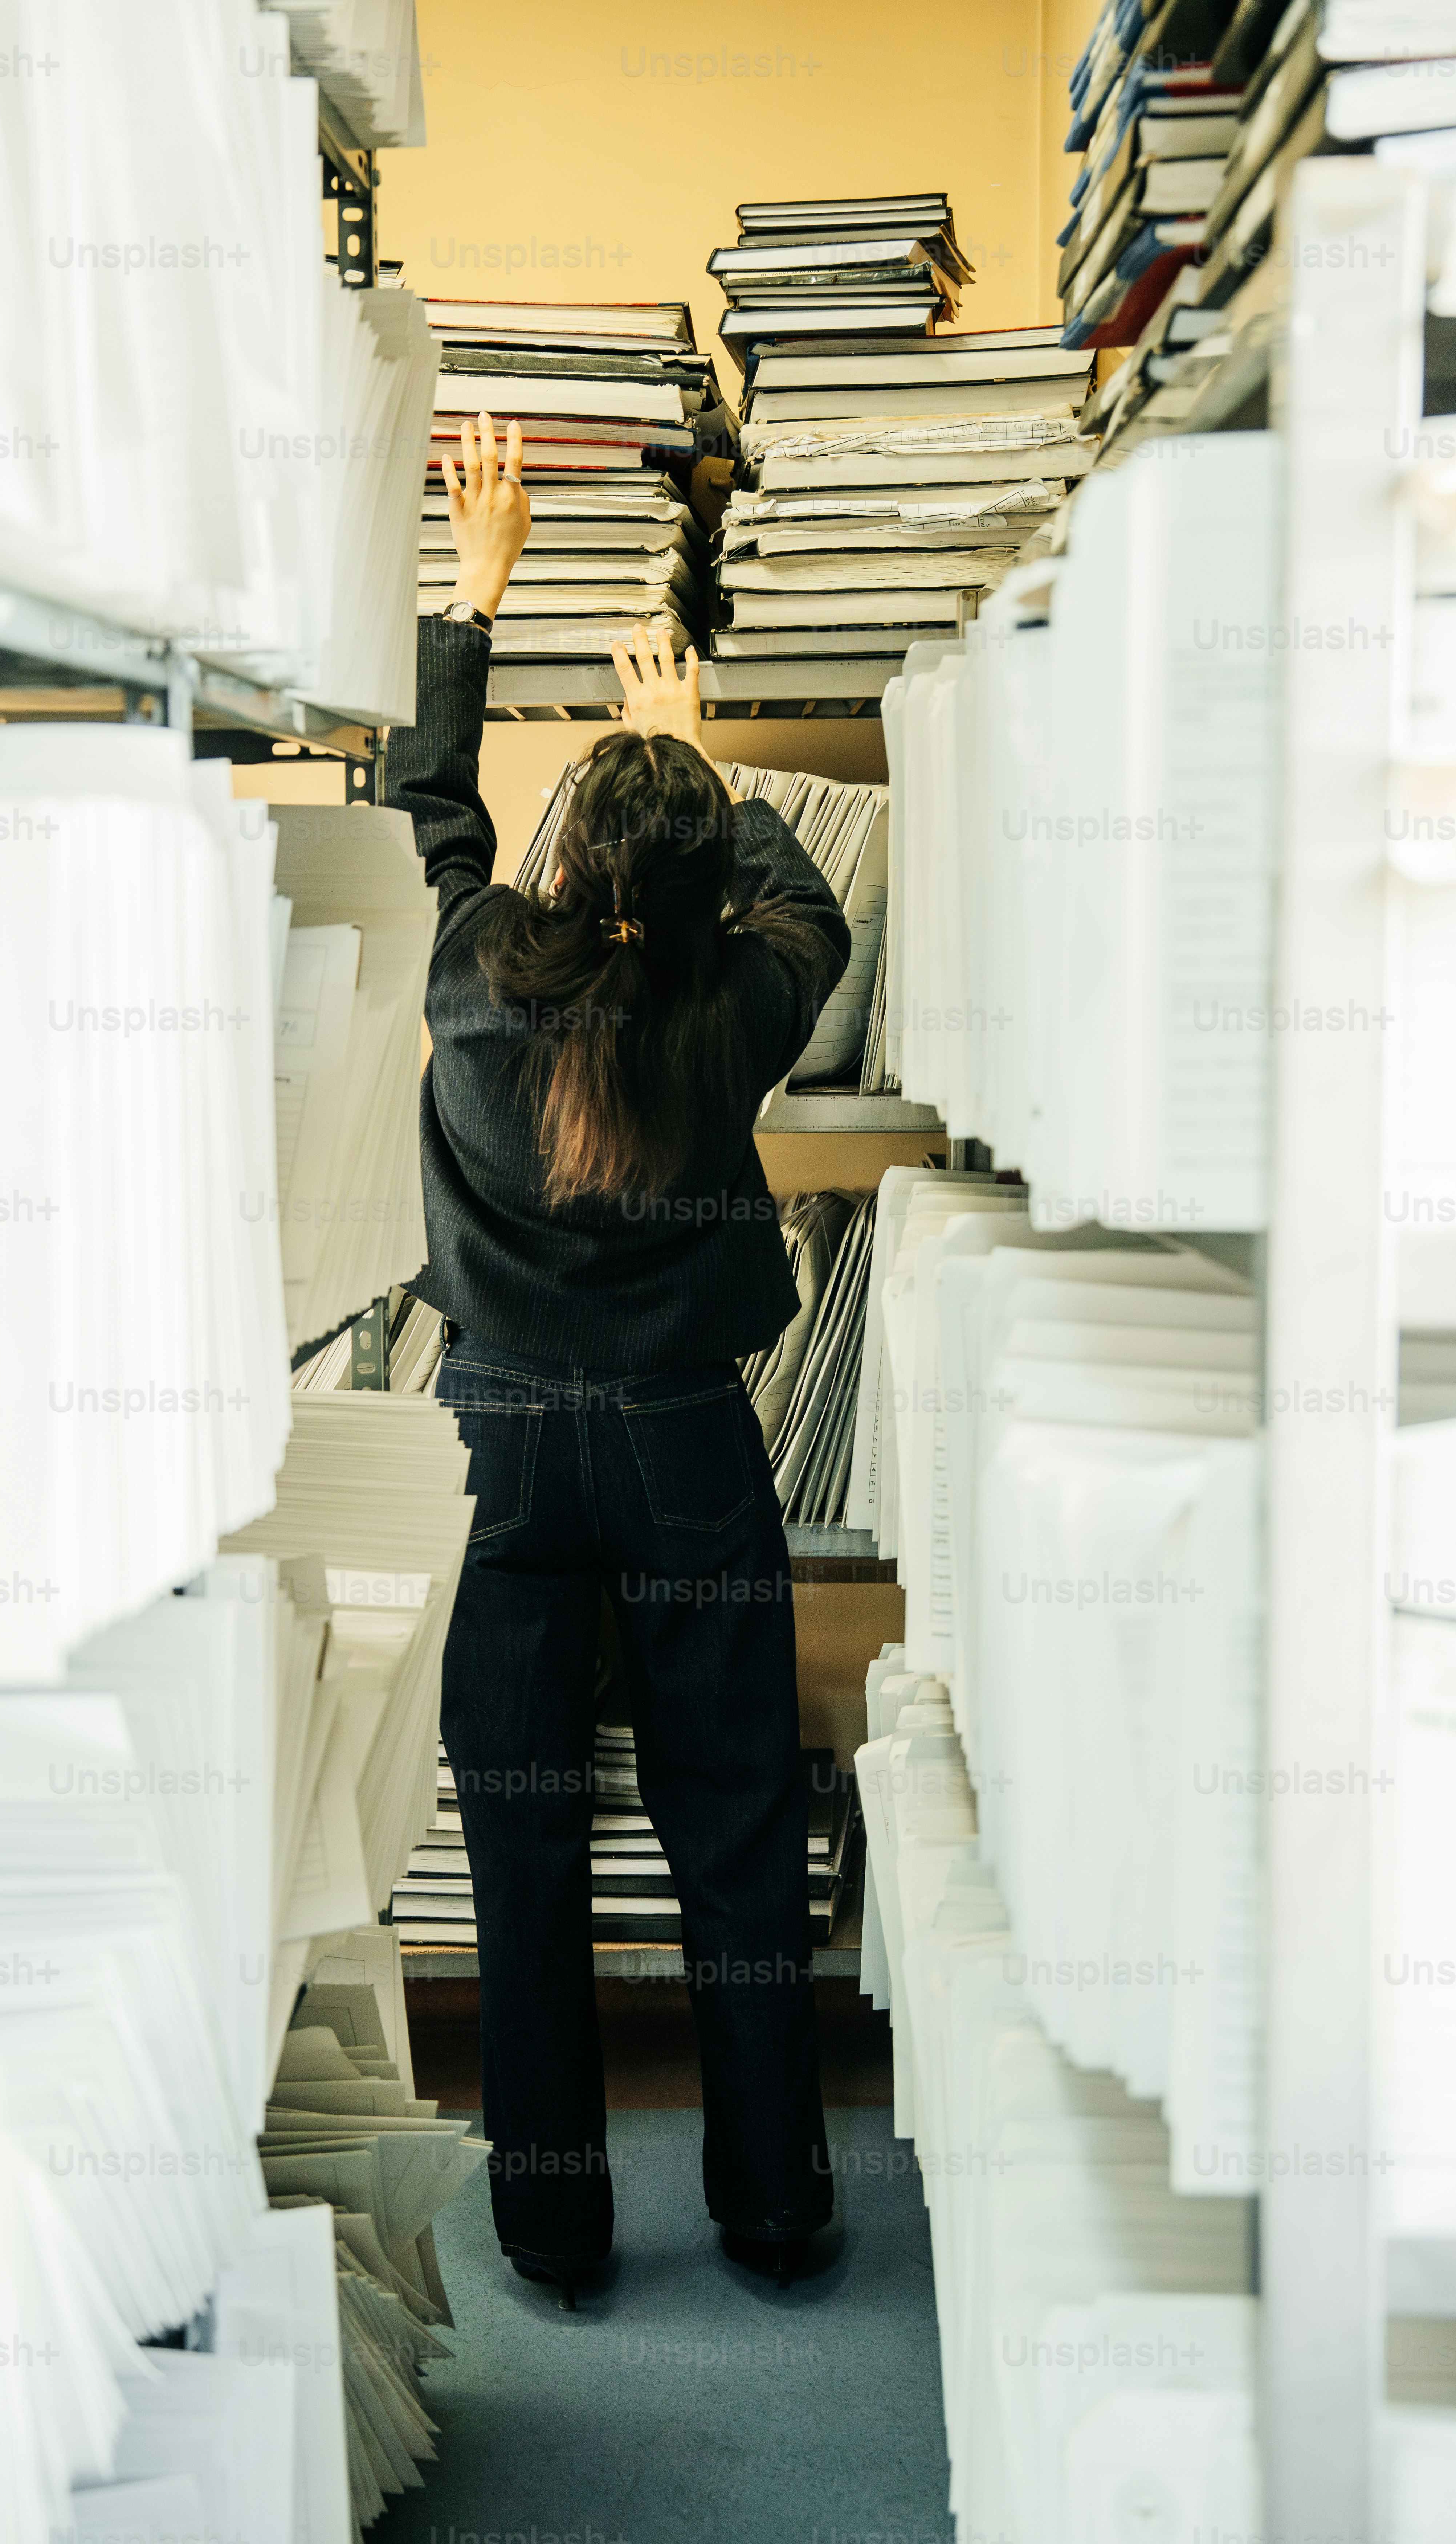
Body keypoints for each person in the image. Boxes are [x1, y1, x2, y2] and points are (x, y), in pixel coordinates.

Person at [385, 412, 852, 2304]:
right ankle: (772, 2209)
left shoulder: (481, 968)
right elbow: (806, 909)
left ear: (565, 864)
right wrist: (711, 754)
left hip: (497, 1453)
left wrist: (474, 602)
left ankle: (556, 2224)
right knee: (734, 1828)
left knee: (521, 1846)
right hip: (681, 1447)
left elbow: (431, 818)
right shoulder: (731, 1000)